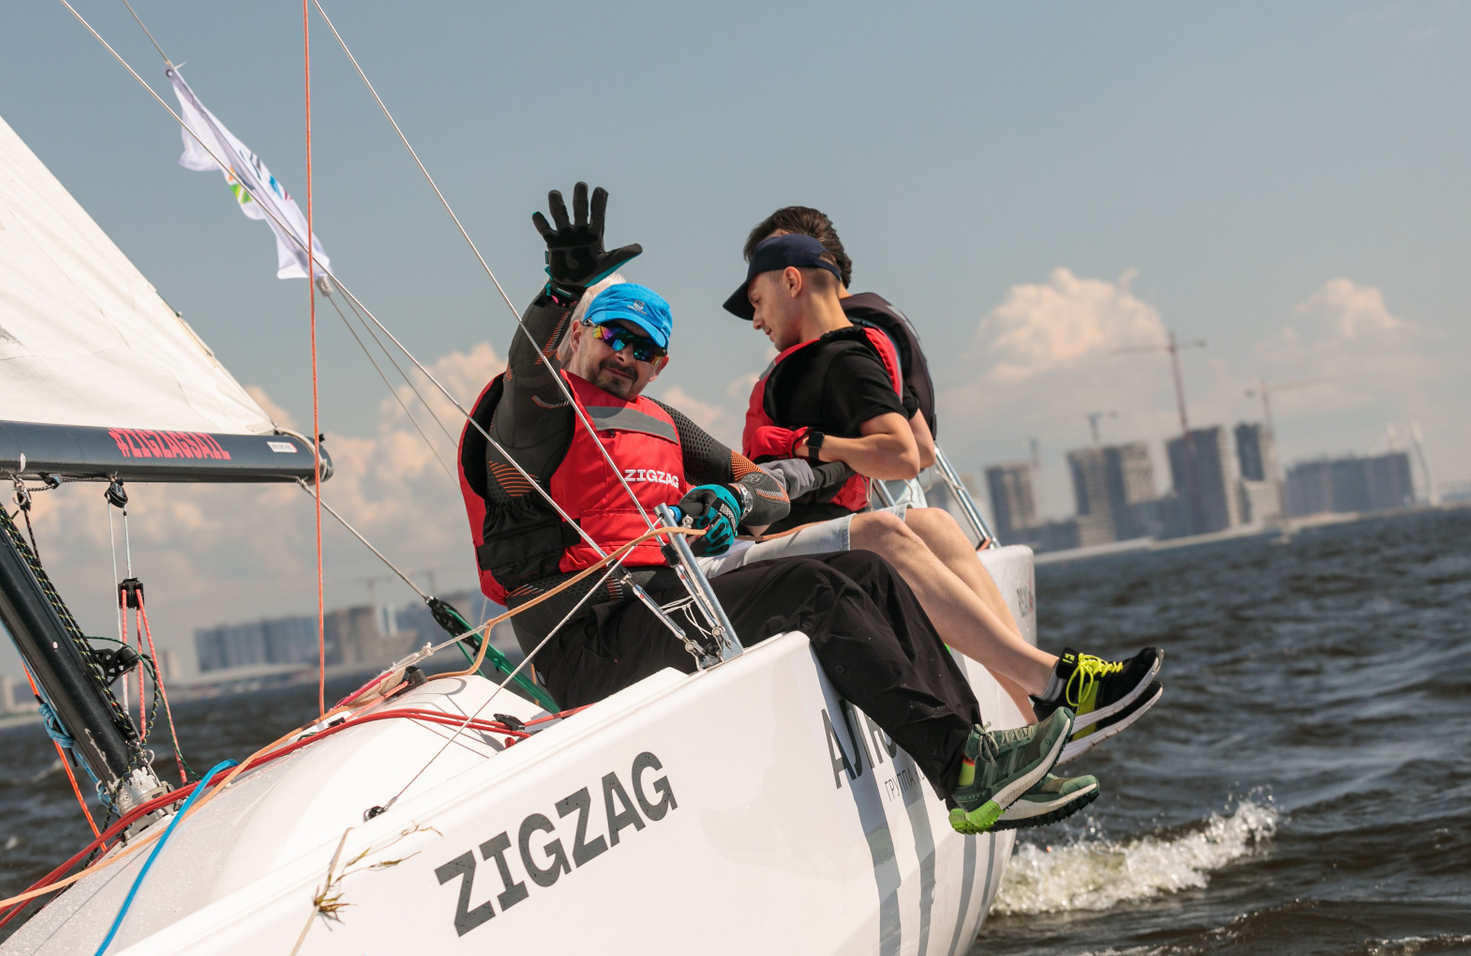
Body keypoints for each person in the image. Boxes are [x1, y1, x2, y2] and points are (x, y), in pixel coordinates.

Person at [455, 183, 1098, 832]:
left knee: (870, 571)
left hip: (666, 611)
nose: (625, 356)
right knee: (813, 590)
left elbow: (765, 484)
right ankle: (965, 769)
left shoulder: (663, 424)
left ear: (660, 365)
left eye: (643, 349)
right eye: (613, 336)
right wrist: (560, 292)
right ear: (579, 335)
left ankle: (978, 754)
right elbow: (527, 370)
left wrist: (740, 497)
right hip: (588, 646)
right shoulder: (537, 416)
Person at [721, 215, 1161, 759]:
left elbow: (908, 454)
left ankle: (1042, 709)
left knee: (933, 524)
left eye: (757, 300)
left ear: (792, 280)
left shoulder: (827, 360)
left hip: (809, 530)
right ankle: (1048, 688)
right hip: (767, 541)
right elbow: (915, 453)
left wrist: (816, 445)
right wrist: (828, 449)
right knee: (894, 530)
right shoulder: (846, 352)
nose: (756, 320)